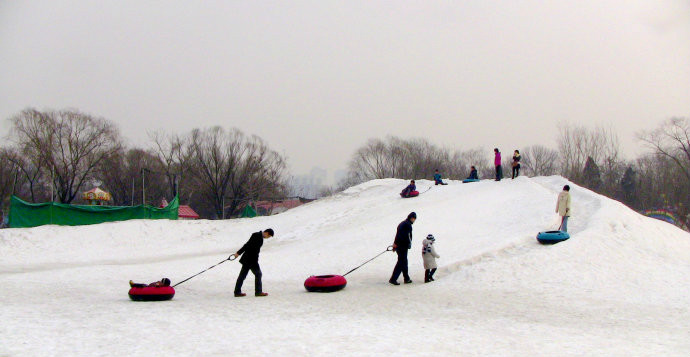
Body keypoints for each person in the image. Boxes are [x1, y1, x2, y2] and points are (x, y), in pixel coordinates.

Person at [231, 228, 274, 297]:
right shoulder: (256, 235)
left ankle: (238, 292)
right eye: (269, 236)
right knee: (256, 274)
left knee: (246, 275)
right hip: (249, 259)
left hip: (252, 260)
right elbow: (247, 245)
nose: (268, 238)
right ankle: (257, 292)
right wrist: (238, 253)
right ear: (267, 233)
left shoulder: (260, 237)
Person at [390, 212, 416, 285]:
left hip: (399, 245)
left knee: (404, 261)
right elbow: (407, 237)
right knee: (401, 262)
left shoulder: (402, 223)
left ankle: (406, 278)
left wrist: (395, 244)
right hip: (403, 246)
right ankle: (393, 279)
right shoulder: (408, 225)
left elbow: (397, 235)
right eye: (414, 219)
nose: (414, 220)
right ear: (412, 218)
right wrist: (409, 244)